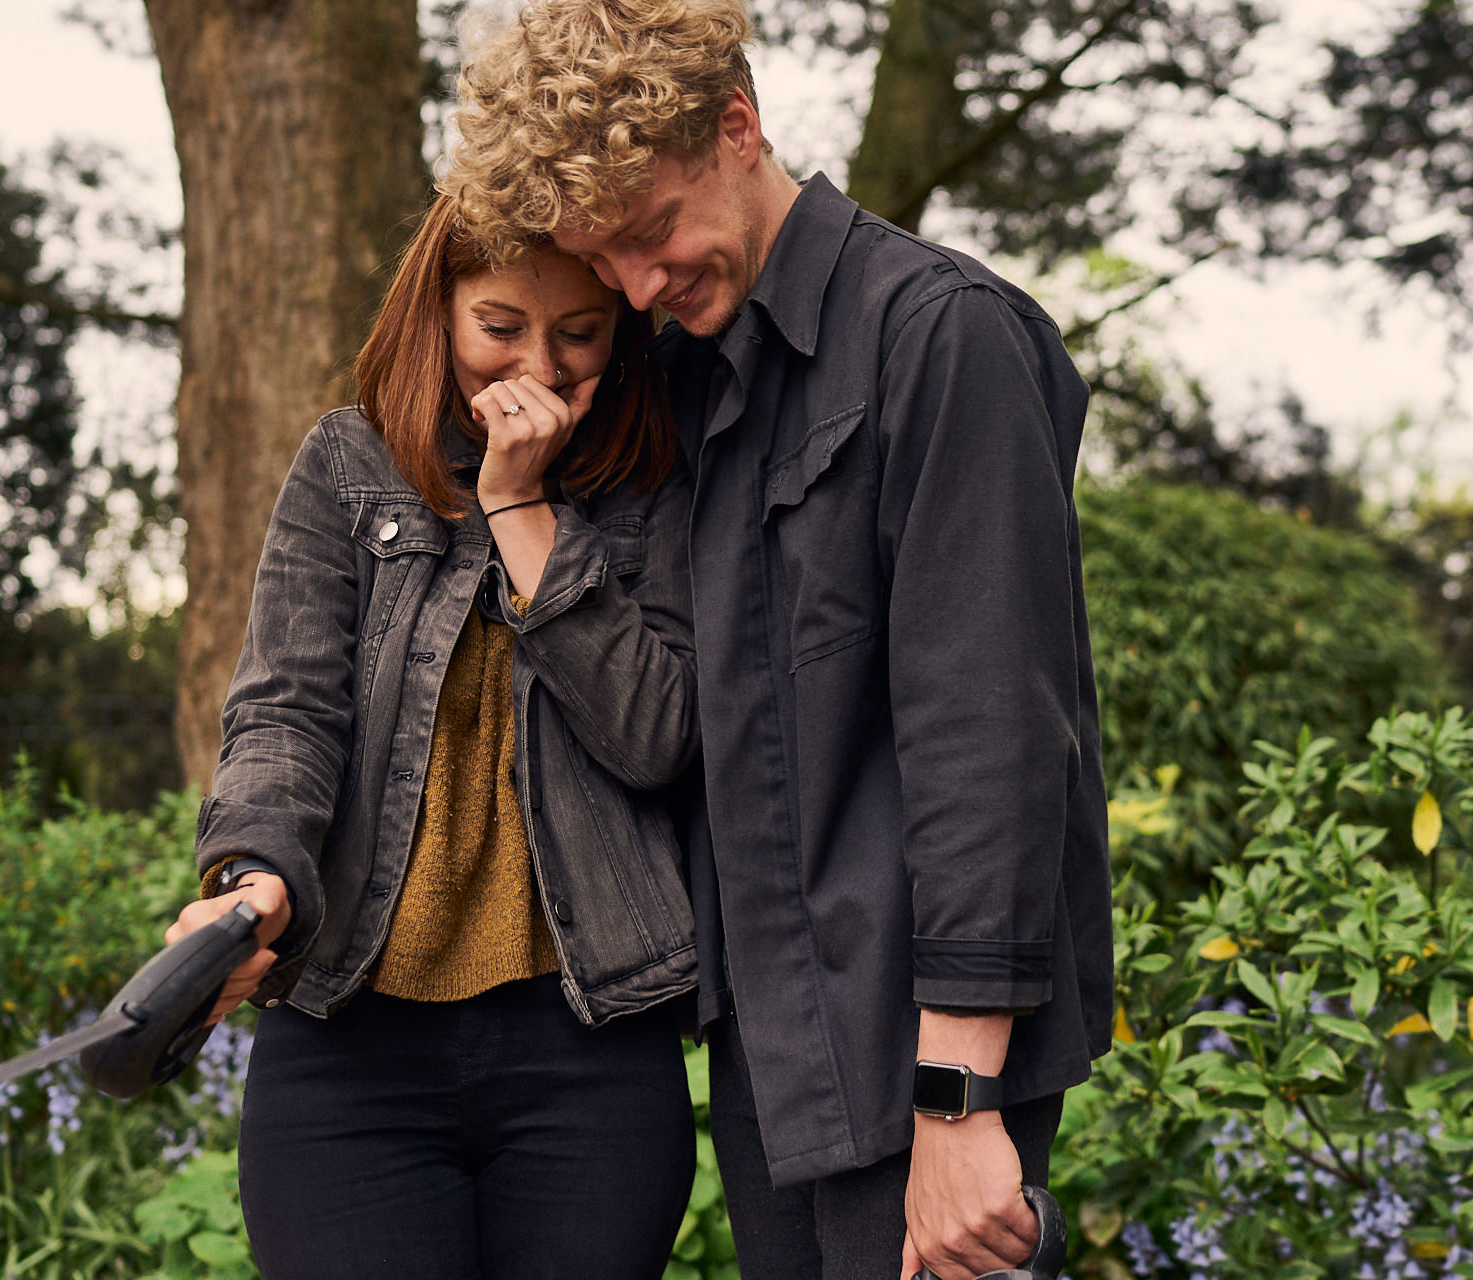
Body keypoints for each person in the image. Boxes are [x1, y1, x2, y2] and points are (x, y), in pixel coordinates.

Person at [441, 3, 1114, 1279]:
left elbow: (991, 738)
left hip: (921, 1048)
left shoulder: (942, 335)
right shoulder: (693, 376)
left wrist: (958, 1100)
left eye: (650, 230)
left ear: (737, 128)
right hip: (775, 1050)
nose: (639, 287)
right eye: (605, 258)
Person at [161, 192, 699, 1279]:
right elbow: (285, 711)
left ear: (625, 328)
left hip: (590, 1048)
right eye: (500, 326)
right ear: (439, 309)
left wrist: (521, 505)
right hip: (350, 1044)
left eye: (579, 333)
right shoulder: (347, 466)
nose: (538, 369)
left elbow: (655, 737)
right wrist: (255, 875)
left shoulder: (657, 485)